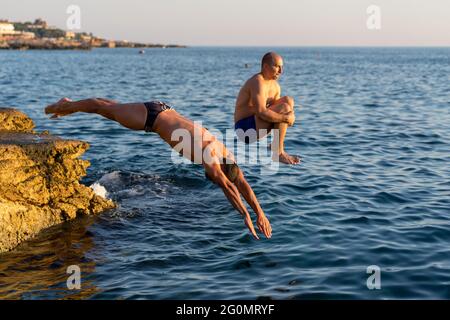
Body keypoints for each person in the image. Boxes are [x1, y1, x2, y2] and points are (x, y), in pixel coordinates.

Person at [45, 97, 272, 240]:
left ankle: (69, 105)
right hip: (151, 118)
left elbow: (241, 184)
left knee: (108, 108)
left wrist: (260, 213)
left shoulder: (225, 154)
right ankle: (66, 106)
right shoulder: (212, 158)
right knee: (101, 108)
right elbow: (229, 188)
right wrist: (246, 216)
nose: (211, 175)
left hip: (162, 108)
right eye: (213, 176)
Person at [234, 52, 300, 165]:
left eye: (282, 67)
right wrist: (286, 118)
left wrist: (288, 117)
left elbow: (277, 115)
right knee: (284, 108)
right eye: (277, 67)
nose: (281, 71)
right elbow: (261, 112)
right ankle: (278, 153)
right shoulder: (257, 82)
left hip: (258, 125)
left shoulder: (275, 86)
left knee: (288, 101)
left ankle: (275, 145)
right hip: (245, 129)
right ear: (265, 67)